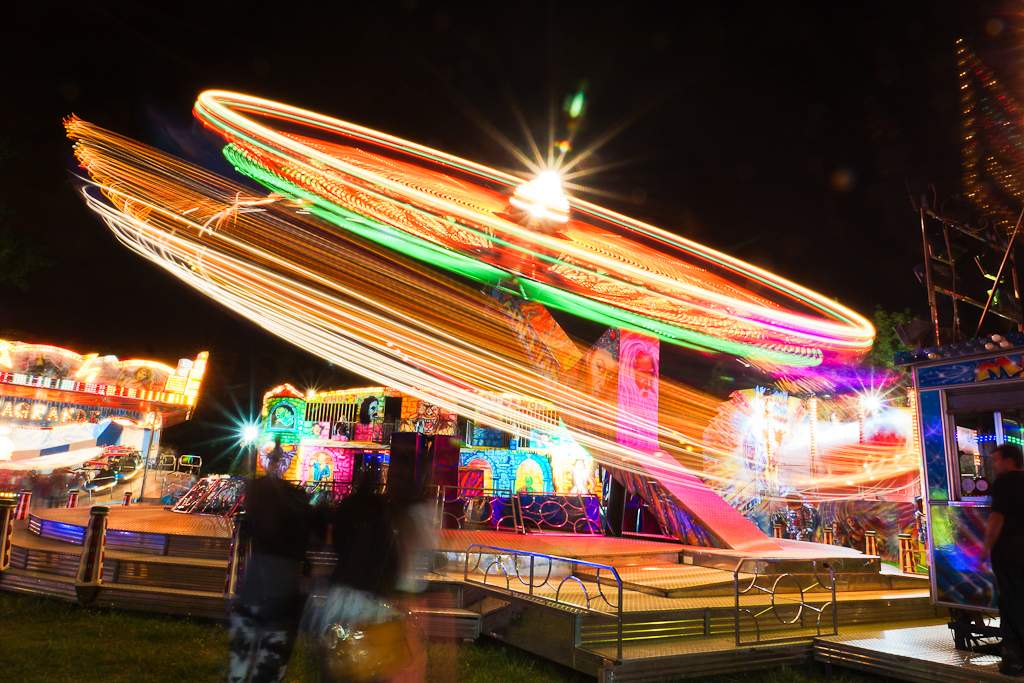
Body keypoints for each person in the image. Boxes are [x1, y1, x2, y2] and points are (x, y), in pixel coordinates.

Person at [227, 443, 313, 683]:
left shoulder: (258, 492)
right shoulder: (295, 498)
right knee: (270, 663)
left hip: (256, 585)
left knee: (242, 659)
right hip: (283, 586)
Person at [984, 443, 1024, 676]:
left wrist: (985, 548)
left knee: (1010, 601)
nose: (995, 465)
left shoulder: (1004, 483)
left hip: (1009, 552)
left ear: (1009, 460)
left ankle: (1014, 659)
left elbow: (996, 519)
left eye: (997, 460)